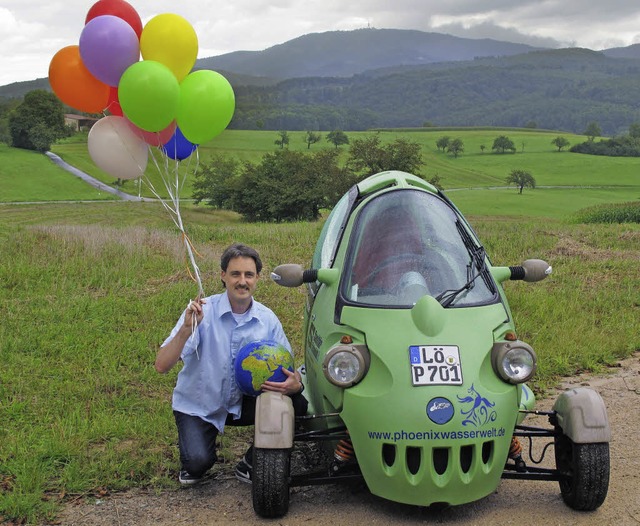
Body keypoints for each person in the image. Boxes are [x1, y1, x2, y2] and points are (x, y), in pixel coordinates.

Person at [155, 242, 307, 485]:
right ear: (223, 276)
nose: (242, 281)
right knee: (196, 465)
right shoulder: (200, 313)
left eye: (249, 274)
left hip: (242, 403)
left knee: (297, 404)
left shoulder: (267, 320)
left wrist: (295, 386)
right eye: (235, 274)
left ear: (257, 278)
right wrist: (185, 330)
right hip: (200, 404)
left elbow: (290, 373)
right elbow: (161, 365)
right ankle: (197, 454)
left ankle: (250, 462)